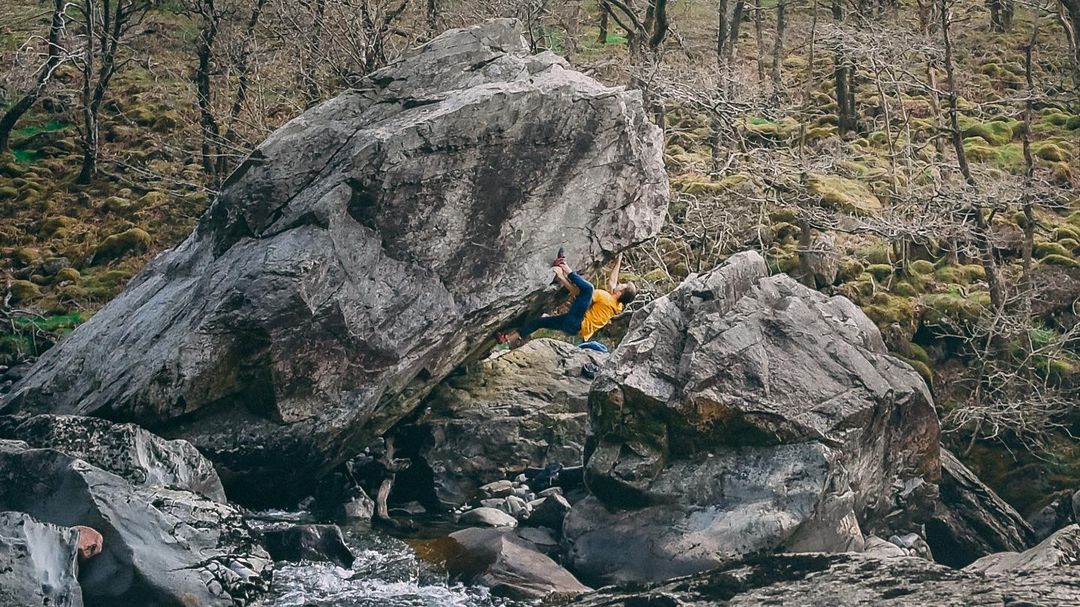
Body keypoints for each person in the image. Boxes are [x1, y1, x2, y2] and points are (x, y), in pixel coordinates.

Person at [499, 249, 636, 345]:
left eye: (622, 286)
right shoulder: (617, 306)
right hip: (572, 328)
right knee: (538, 322)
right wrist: (619, 260)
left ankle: (563, 264)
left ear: (619, 293)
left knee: (588, 289)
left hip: (577, 321)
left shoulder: (605, 298)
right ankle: (507, 338)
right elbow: (612, 282)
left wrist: (562, 276)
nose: (619, 284)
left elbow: (579, 293)